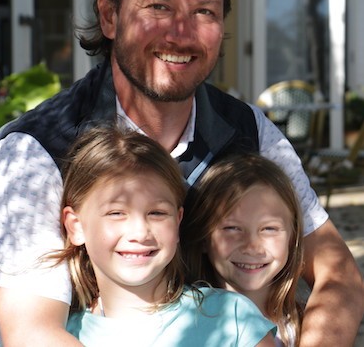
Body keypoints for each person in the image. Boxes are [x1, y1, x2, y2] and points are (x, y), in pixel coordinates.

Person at [0, 0, 364, 346]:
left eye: (204, 11)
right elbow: (34, 333)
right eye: (158, 6)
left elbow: (339, 274)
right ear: (109, 15)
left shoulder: (247, 130)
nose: (181, 33)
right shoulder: (37, 150)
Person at [51, 126, 276, 346]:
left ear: (177, 221)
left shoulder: (232, 319)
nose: (140, 233)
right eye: (116, 213)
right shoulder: (59, 334)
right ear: (76, 227)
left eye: (157, 213)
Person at [181, 152, 305, 347]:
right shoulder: (185, 327)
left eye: (269, 229)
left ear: (292, 237)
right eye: (232, 228)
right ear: (204, 238)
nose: (252, 246)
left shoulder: (311, 327)